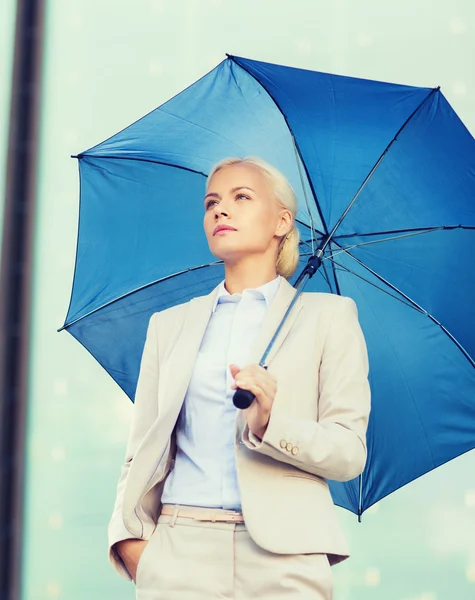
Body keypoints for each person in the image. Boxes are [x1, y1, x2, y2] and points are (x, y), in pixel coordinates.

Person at [107, 156, 371, 599]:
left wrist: (271, 424)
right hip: (178, 551)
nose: (220, 210)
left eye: (241, 197)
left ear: (282, 221)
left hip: (286, 559)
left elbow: (349, 452)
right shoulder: (169, 325)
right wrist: (130, 542)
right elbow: (141, 450)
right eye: (211, 202)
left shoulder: (329, 317)